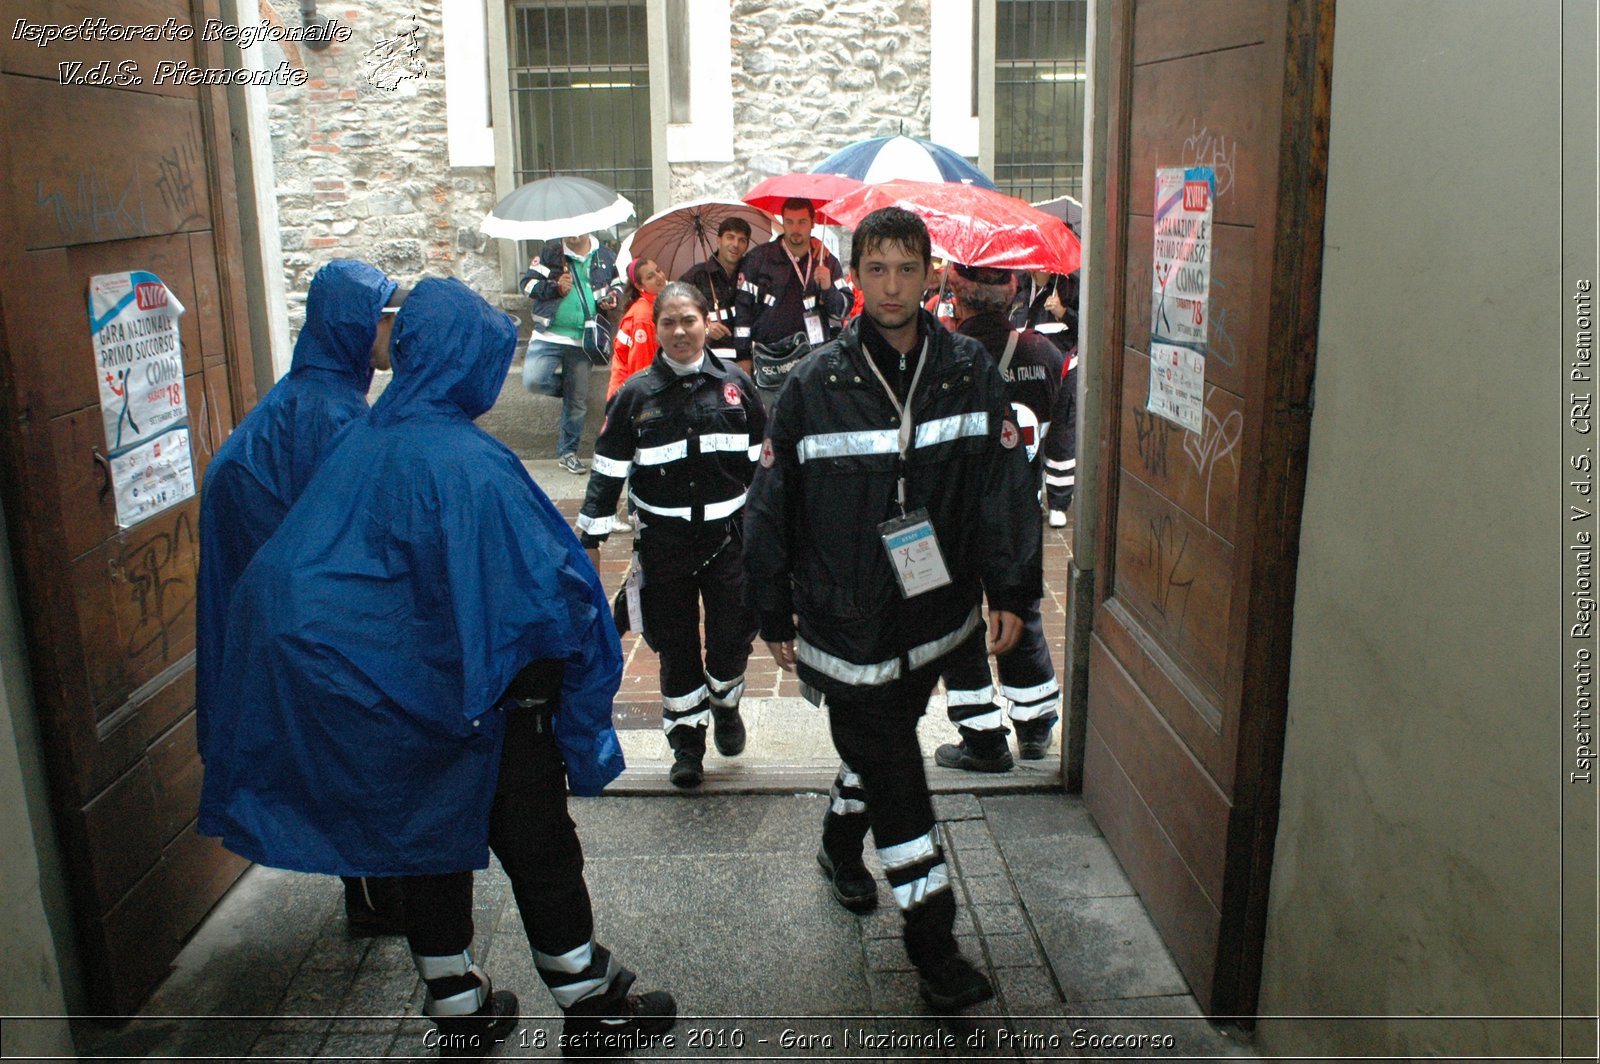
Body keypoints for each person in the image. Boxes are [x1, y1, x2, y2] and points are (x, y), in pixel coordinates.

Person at [203, 277, 676, 1059]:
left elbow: (290, 577)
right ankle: (591, 1001)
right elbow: (548, 594)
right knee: (540, 849)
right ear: (467, 362)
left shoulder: (358, 442)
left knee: (421, 844)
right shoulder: (470, 463)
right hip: (495, 709)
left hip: (401, 710)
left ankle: (458, 1004)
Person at [743, 208, 1041, 1012]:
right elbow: (771, 504)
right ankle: (933, 942)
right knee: (899, 775)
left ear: (931, 274)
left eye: (906, 268)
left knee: (882, 747)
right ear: (855, 275)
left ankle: (841, 842)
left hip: (934, 610)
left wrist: (1010, 589)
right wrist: (773, 610)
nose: (892, 285)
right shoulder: (815, 382)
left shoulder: (969, 368)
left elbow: (1002, 486)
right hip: (845, 620)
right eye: (876, 268)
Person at [196, 258, 406, 937]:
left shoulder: (306, 397)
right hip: (313, 622)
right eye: (381, 316)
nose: (389, 330)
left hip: (282, 612)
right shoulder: (332, 414)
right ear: (352, 324)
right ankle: (377, 898)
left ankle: (368, 891)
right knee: (355, 752)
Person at [578, 282, 764, 789]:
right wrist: (590, 542)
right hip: (664, 548)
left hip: (728, 544)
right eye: (669, 322)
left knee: (731, 640)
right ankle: (686, 744)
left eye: (689, 320)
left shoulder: (737, 388)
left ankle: (725, 704)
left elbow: (764, 469)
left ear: (708, 323)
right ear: (655, 328)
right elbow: (606, 474)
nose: (680, 331)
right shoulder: (634, 396)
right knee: (676, 648)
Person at [931, 262, 1066, 770]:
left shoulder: (944, 355)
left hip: (957, 510)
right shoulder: (1047, 354)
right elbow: (1061, 438)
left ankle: (981, 734)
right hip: (1020, 508)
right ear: (1013, 295)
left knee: (959, 615)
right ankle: (1035, 727)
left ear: (958, 298)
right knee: (1022, 610)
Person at [521, 233, 621, 474]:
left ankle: (568, 452)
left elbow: (617, 285)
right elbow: (527, 285)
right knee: (533, 380)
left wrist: (611, 298)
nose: (574, 235)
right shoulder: (551, 252)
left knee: (576, 402)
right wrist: (554, 287)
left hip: (583, 339)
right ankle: (572, 390)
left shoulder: (604, 255)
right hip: (549, 334)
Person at [734, 196, 847, 356]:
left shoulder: (826, 260)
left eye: (802, 222)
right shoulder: (758, 258)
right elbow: (742, 309)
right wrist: (743, 355)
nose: (795, 228)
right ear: (782, 222)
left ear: (812, 223)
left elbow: (843, 310)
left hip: (813, 356)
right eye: (789, 222)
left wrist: (828, 289)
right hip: (769, 355)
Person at [678, 216, 752, 370]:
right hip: (707, 365)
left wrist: (813, 242)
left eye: (742, 240)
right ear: (719, 240)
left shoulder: (752, 272)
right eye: (730, 237)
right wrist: (705, 329)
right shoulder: (696, 276)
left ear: (747, 245)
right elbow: (676, 314)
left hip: (744, 364)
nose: (735, 244)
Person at [607, 258, 668, 399]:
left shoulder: (653, 305)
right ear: (639, 286)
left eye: (658, 270)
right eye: (650, 277)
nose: (659, 277)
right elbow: (642, 368)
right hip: (630, 397)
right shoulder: (644, 317)